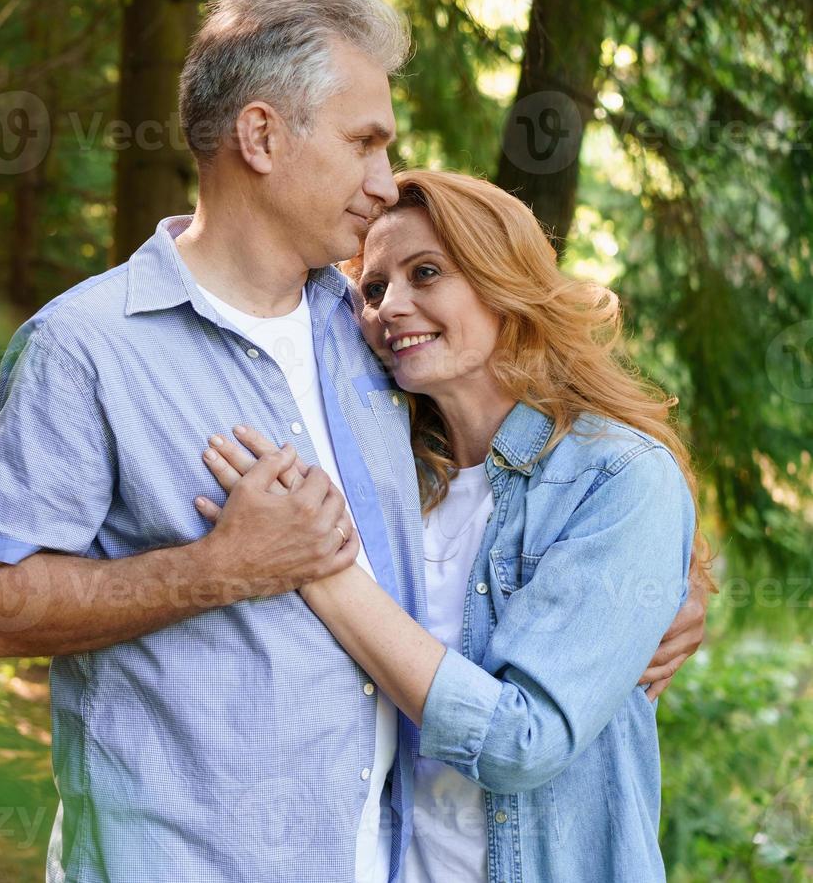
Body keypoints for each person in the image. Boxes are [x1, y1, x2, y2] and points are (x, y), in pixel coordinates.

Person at [0, 0, 703, 883]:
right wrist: (216, 570)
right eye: (364, 143)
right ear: (260, 136)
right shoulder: (87, 347)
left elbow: (520, 497)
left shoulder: (373, 338)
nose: (382, 183)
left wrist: (661, 592)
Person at [194, 169, 712, 883]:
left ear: (503, 282)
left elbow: (521, 743)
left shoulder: (617, 477)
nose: (390, 307)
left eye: (426, 272)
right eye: (372, 289)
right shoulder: (384, 483)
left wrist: (320, 567)